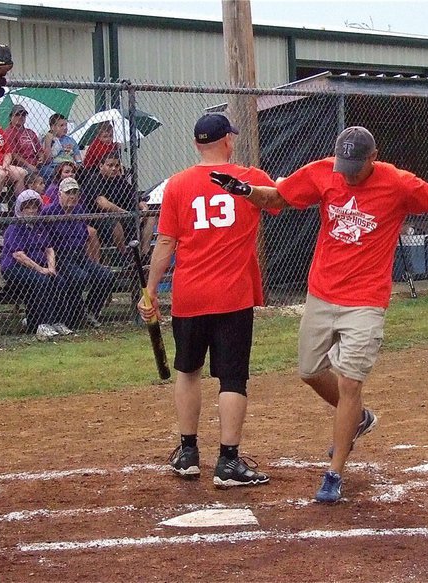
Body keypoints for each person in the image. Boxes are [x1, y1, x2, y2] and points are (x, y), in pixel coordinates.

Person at [210, 126, 428, 503]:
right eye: (344, 166)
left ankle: (334, 473)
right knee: (310, 370)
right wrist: (244, 190)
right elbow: (278, 198)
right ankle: (359, 419)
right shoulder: (323, 172)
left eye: (356, 167)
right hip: (322, 293)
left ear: (373, 156)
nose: (348, 174)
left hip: (365, 300)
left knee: (350, 382)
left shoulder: (398, 183)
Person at [137, 113, 274, 489]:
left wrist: (150, 290)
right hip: (232, 294)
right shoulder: (250, 179)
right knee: (232, 376)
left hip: (190, 293)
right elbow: (282, 201)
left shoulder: (177, 184)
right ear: (227, 140)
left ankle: (188, 453)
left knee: (188, 370)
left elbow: (165, 243)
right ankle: (228, 461)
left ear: (197, 144)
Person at [1, 190, 74, 340]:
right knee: (41, 280)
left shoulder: (39, 226)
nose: (32, 210)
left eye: (35, 207)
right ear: (20, 209)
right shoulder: (15, 227)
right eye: (28, 207)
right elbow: (18, 255)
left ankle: (57, 321)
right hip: (14, 268)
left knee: (58, 280)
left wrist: (51, 268)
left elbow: (49, 249)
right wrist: (41, 269)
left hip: (38, 267)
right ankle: (42, 324)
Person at [42, 177, 115, 328]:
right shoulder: (49, 212)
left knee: (106, 275)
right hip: (61, 257)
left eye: (75, 192)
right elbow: (44, 241)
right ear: (60, 194)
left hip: (79, 255)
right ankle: (76, 315)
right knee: (79, 277)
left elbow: (85, 236)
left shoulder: (79, 210)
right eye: (69, 192)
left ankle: (89, 311)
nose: (72, 196)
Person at [83, 153, 154, 256]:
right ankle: (124, 254)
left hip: (125, 216)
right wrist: (126, 214)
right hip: (100, 219)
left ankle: (144, 253)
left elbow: (138, 199)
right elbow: (103, 204)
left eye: (116, 166)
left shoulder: (120, 180)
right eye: (110, 165)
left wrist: (144, 209)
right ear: (101, 166)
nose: (114, 169)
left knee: (151, 217)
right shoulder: (94, 179)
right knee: (115, 223)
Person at [4, 104, 45, 176]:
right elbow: (13, 154)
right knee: (32, 174)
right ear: (11, 117)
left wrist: (41, 158)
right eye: (17, 114)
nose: (20, 117)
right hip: (20, 165)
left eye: (23, 114)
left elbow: (39, 150)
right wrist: (29, 165)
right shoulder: (9, 132)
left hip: (36, 163)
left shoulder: (30, 132)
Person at [41, 113, 82, 179]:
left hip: (70, 166)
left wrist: (78, 163)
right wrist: (48, 142)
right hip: (54, 166)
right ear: (52, 127)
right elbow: (47, 161)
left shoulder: (71, 140)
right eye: (61, 125)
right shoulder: (47, 139)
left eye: (66, 125)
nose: (65, 128)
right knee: (48, 171)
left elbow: (77, 157)